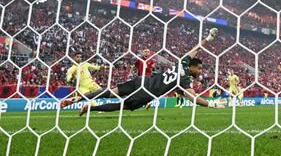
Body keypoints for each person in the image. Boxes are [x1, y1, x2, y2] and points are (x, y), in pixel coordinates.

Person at [60, 28, 226, 114]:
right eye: (199, 68)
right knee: (120, 106)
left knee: (109, 92)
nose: (200, 71)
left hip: (141, 81)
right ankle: (90, 109)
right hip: (145, 93)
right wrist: (212, 104)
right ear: (192, 67)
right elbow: (194, 99)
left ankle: (76, 100)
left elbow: (195, 49)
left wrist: (208, 39)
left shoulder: (182, 62)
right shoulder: (185, 80)